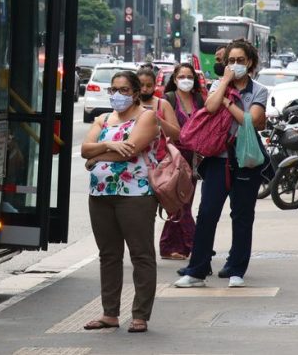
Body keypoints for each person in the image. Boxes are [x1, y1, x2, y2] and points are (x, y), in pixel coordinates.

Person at [174, 39, 270, 289]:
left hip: (246, 159)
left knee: (242, 215)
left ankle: (237, 269)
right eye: (230, 61)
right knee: (207, 214)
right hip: (217, 159)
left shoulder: (258, 90)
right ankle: (197, 269)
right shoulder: (219, 84)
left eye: (240, 61)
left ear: (249, 62)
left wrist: (229, 103)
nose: (235, 65)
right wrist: (226, 84)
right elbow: (210, 106)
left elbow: (253, 121)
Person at [81, 71, 159, 333]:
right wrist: (113, 147)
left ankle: (140, 315)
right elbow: (84, 149)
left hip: (135, 195)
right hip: (101, 193)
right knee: (109, 255)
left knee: (141, 254)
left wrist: (98, 156)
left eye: (124, 90)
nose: (117, 95)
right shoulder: (103, 118)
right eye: (113, 89)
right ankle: (110, 313)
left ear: (136, 92)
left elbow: (133, 150)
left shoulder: (146, 116)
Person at [158, 62, 204, 260]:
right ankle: (195, 243)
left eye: (189, 76)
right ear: (175, 80)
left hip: (194, 157)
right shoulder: (168, 99)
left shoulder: (200, 99)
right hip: (174, 156)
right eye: (181, 76)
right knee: (179, 203)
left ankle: (172, 246)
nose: (186, 80)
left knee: (185, 202)